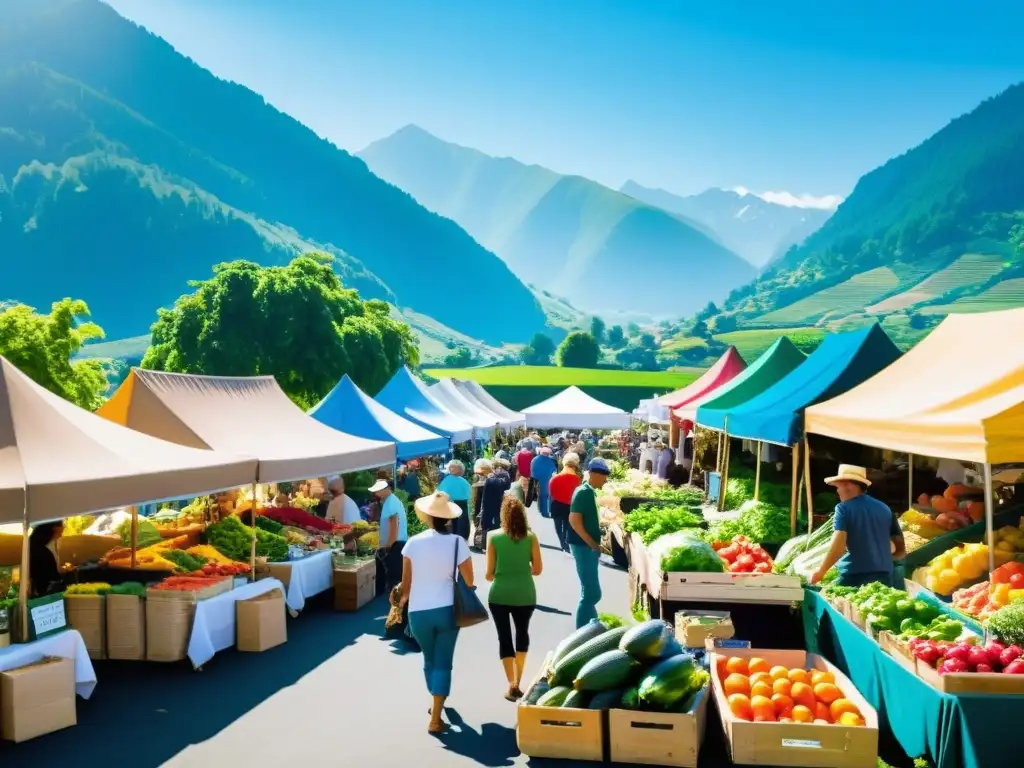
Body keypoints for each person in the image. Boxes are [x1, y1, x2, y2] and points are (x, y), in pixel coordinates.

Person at [400, 491, 474, 734]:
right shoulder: (457, 543)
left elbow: (406, 584)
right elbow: (469, 580)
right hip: (447, 609)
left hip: (418, 611)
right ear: (449, 519)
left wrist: (400, 602)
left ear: (428, 516)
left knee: (428, 658)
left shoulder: (413, 543)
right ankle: (436, 714)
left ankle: (436, 703)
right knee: (444, 662)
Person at [810, 465, 906, 588]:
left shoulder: (843, 508)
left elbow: (838, 545)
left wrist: (821, 571)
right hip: (884, 576)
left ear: (848, 485)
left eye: (838, 487)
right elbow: (897, 547)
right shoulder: (884, 508)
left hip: (854, 576)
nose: (837, 491)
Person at [486, 495, 542, 701]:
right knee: (522, 634)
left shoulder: (493, 537)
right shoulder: (531, 538)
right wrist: (523, 567)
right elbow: (537, 570)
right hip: (525, 593)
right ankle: (519, 680)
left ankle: (511, 683)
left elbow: (489, 574)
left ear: (503, 516)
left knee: (504, 637)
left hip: (499, 593)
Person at [568, 458, 609, 628]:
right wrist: (592, 544)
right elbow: (574, 520)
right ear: (592, 474)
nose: (606, 480)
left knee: (592, 592)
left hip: (586, 546)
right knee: (591, 593)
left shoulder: (589, 491)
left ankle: (592, 626)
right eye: (603, 476)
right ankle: (583, 630)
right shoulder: (583, 492)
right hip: (583, 547)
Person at [371, 479, 409, 594]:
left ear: (386, 490)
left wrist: (388, 546)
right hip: (396, 545)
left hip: (395, 546)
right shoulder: (390, 501)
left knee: (393, 579)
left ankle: (396, 605)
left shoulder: (391, 502)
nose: (376, 493)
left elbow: (394, 523)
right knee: (394, 578)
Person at [549, 451, 582, 553]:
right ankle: (566, 543)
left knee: (558, 526)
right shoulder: (577, 479)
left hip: (557, 505)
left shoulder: (555, 478)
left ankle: (562, 543)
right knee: (567, 526)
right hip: (570, 506)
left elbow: (552, 493)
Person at [437, 460, 472, 540]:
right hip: (460, 509)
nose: (451, 469)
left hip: (452, 509)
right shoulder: (464, 482)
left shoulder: (446, 481)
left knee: (453, 535)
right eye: (451, 467)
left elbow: (439, 495)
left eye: (453, 467)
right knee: (460, 535)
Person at [28, 521, 64, 597]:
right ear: (54, 528)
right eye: (61, 524)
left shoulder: (37, 546)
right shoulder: (42, 551)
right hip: (46, 595)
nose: (64, 526)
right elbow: (48, 577)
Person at [482, 458, 513, 535]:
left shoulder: (491, 479)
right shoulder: (506, 478)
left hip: (490, 506)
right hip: (501, 504)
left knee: (490, 525)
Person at [471, 459, 493, 551]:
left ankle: (479, 541)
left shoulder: (476, 477)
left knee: (478, 516)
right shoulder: (490, 478)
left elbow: (474, 499)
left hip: (477, 500)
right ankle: (484, 541)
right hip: (486, 503)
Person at [530, 446, 557, 519]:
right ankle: (545, 512)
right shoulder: (550, 461)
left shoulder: (534, 459)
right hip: (546, 481)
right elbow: (554, 471)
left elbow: (532, 470)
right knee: (545, 496)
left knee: (540, 495)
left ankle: (540, 509)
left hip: (537, 480)